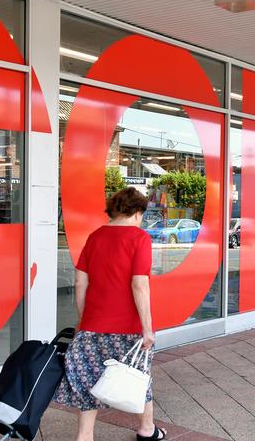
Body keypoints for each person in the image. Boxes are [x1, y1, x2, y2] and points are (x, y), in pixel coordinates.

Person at [54, 187, 166, 441]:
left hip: (93, 325)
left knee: (89, 380)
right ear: (137, 212)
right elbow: (139, 284)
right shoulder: (139, 239)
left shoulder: (95, 237)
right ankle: (147, 429)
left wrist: (85, 317)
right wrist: (147, 328)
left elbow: (80, 282)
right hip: (129, 328)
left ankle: (85, 436)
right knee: (139, 376)